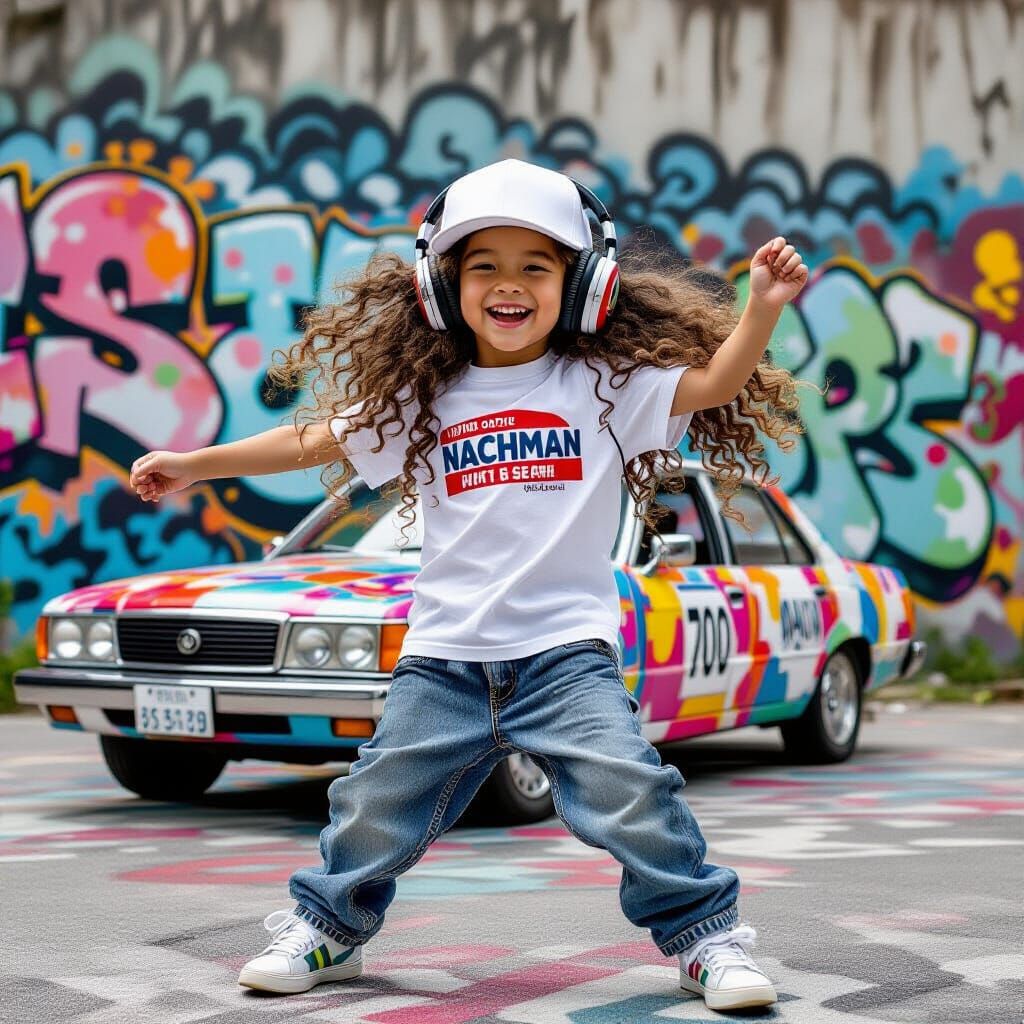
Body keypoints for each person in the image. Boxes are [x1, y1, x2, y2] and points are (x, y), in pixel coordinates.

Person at [129, 158, 808, 1012]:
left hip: (566, 655)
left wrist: (761, 307)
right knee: (375, 803)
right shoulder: (428, 395)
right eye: (483, 265)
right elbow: (316, 440)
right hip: (443, 658)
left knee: (630, 792)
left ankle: (707, 942)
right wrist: (195, 465)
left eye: (537, 265)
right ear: (443, 286)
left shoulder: (605, 386)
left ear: (587, 283)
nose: (509, 284)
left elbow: (714, 384)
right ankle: (328, 931)